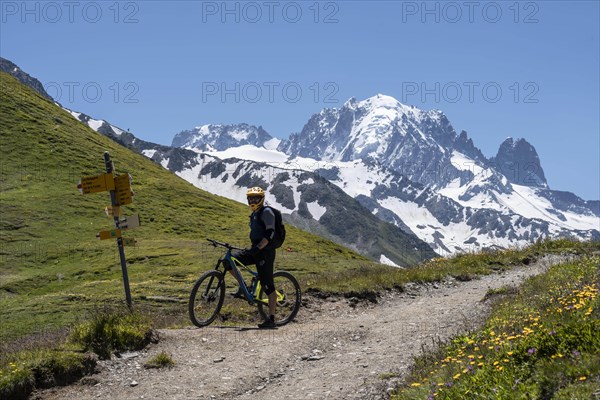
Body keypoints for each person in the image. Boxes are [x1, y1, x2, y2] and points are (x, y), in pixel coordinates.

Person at [231, 187, 278, 329]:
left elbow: (270, 233)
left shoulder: (267, 212)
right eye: (250, 198)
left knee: (268, 286)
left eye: (256, 198)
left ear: (261, 199)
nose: (253, 200)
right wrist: (253, 249)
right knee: (230, 262)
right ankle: (244, 288)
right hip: (255, 250)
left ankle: (271, 319)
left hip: (265, 253)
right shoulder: (255, 214)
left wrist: (259, 248)